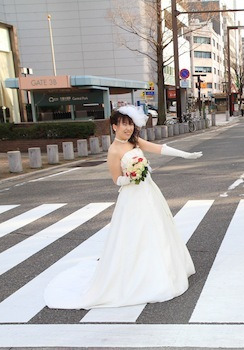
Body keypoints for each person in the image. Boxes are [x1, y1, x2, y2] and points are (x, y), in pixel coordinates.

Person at [44, 105, 202, 309]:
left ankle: (162, 270)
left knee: (158, 229)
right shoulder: (114, 150)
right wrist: (132, 177)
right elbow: (115, 179)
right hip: (132, 197)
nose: (128, 128)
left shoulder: (133, 141)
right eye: (123, 125)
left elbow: (158, 148)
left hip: (149, 192)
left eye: (130, 124)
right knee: (135, 235)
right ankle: (138, 277)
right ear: (114, 127)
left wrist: (185, 155)